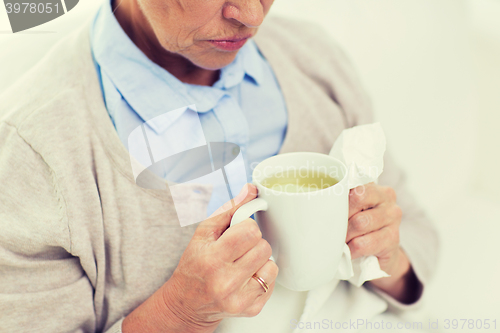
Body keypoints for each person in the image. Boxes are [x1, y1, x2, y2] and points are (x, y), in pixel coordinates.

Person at [0, 0, 438, 332]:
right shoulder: (33, 149)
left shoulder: (313, 58)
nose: (250, 14)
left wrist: (384, 256)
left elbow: (416, 234)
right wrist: (176, 313)